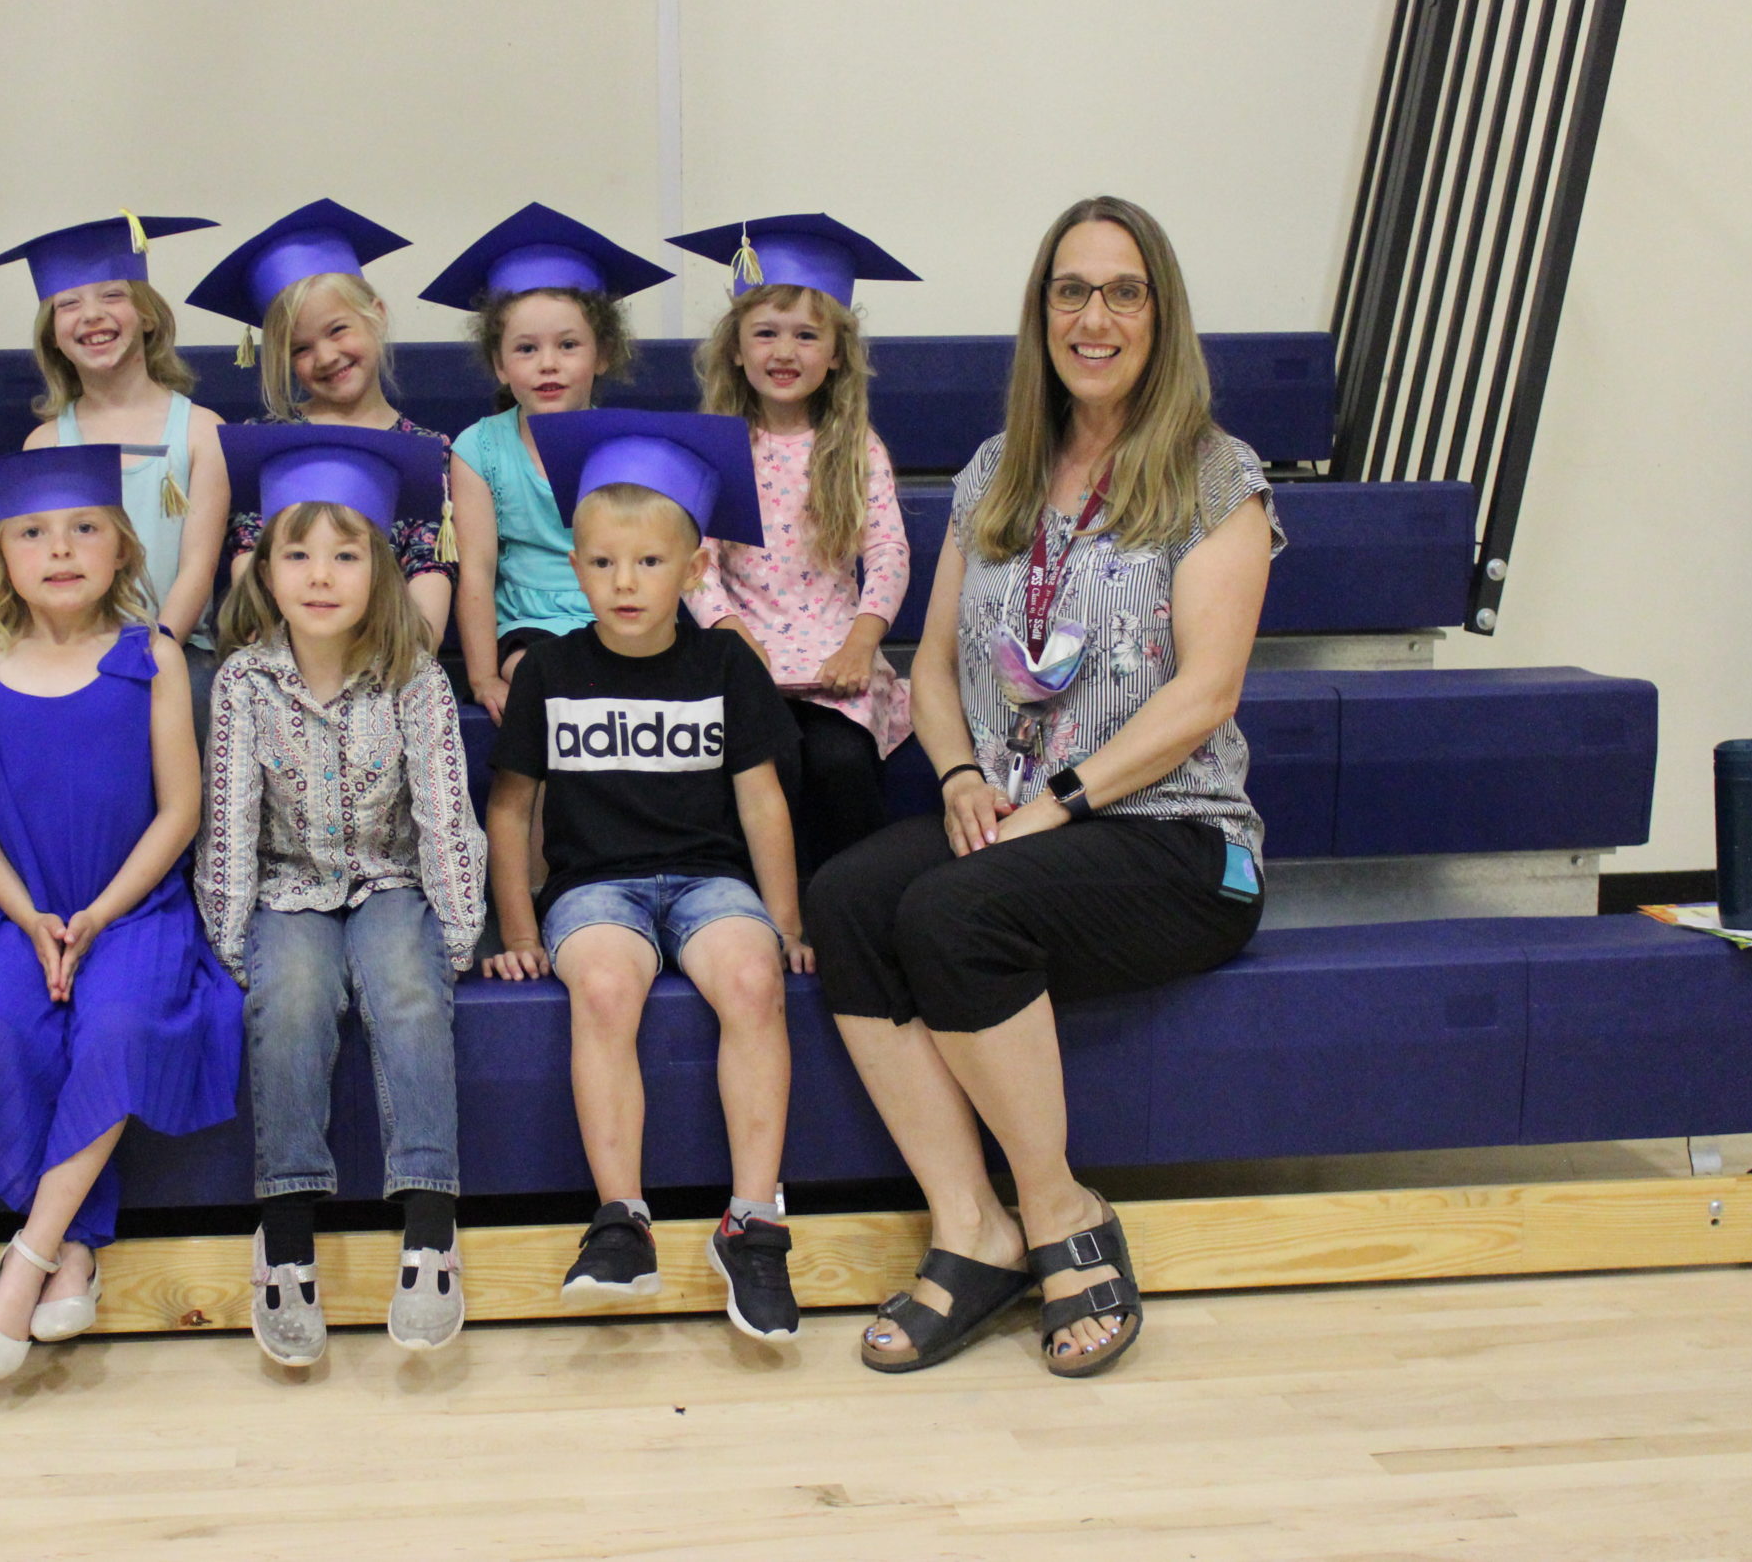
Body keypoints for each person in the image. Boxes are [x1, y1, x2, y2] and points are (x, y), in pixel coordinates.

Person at [804, 196, 1281, 1380]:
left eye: (1122, 292)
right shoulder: (994, 472)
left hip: (1171, 834)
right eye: (1070, 291)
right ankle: (972, 1229)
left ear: (1160, 315)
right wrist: (961, 774)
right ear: (1041, 314)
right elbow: (928, 665)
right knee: (850, 898)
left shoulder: (1217, 476)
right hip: (1015, 812)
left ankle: (1063, 1213)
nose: (1093, 317)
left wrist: (1055, 802)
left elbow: (1205, 694)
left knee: (954, 911)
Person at [480, 410, 811, 1343]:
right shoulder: (549, 670)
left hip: (709, 879)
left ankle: (753, 1222)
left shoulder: (725, 663)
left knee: (752, 978)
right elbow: (510, 809)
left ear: (695, 568)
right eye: (602, 562)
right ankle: (621, 1218)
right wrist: (517, 929)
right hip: (595, 887)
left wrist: (785, 920)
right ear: (575, 567)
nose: (624, 582)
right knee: (605, 984)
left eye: (650, 562)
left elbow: (762, 804)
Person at [0, 446, 243, 1381]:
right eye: (32, 533)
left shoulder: (150, 657)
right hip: (13, 908)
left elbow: (179, 810)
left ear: (123, 547)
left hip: (131, 907)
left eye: (84, 528)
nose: (59, 549)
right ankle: (72, 1249)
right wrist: (30, 916)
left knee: (121, 1022)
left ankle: (28, 1258)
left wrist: (99, 914)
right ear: (3, 554)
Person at [199, 425, 488, 1366]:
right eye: (298, 554)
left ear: (382, 569)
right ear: (264, 569)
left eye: (346, 554)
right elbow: (229, 820)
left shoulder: (414, 676)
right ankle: (286, 1238)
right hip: (289, 889)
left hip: (391, 879)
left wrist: (455, 935)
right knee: (288, 998)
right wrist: (235, 939)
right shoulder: (244, 682)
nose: (320, 575)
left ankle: (431, 1228)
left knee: (407, 989)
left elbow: (445, 810)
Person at [670, 214, 919, 876]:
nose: (785, 351)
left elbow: (888, 551)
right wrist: (732, 636)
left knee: (841, 761)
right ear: (735, 347)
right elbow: (696, 562)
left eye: (807, 335)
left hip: (836, 657)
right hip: (744, 652)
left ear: (836, 353)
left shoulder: (855, 447)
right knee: (768, 760)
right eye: (766, 333)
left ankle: (851, 902)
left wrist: (862, 641)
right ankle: (764, 906)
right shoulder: (717, 446)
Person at [0, 212, 232, 731]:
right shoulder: (46, 443)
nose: (91, 315)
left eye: (113, 295)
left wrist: (154, 651)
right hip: (72, 644)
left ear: (148, 316)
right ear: (53, 336)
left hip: (173, 644)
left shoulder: (202, 432)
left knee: (195, 695)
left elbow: (197, 570)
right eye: (68, 304)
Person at [431, 203, 672, 722]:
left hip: (620, 611)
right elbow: (477, 572)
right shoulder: (478, 449)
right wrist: (483, 677)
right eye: (525, 349)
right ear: (499, 364)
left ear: (602, 354)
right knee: (546, 675)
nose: (548, 364)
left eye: (568, 345)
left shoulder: (626, 444)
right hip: (529, 626)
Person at [187, 199, 456, 647]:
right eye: (301, 348)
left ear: (377, 314)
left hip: (390, 661)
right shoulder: (264, 443)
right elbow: (251, 578)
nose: (327, 356)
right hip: (284, 662)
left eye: (337, 330)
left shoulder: (430, 450)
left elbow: (430, 579)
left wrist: (393, 661)